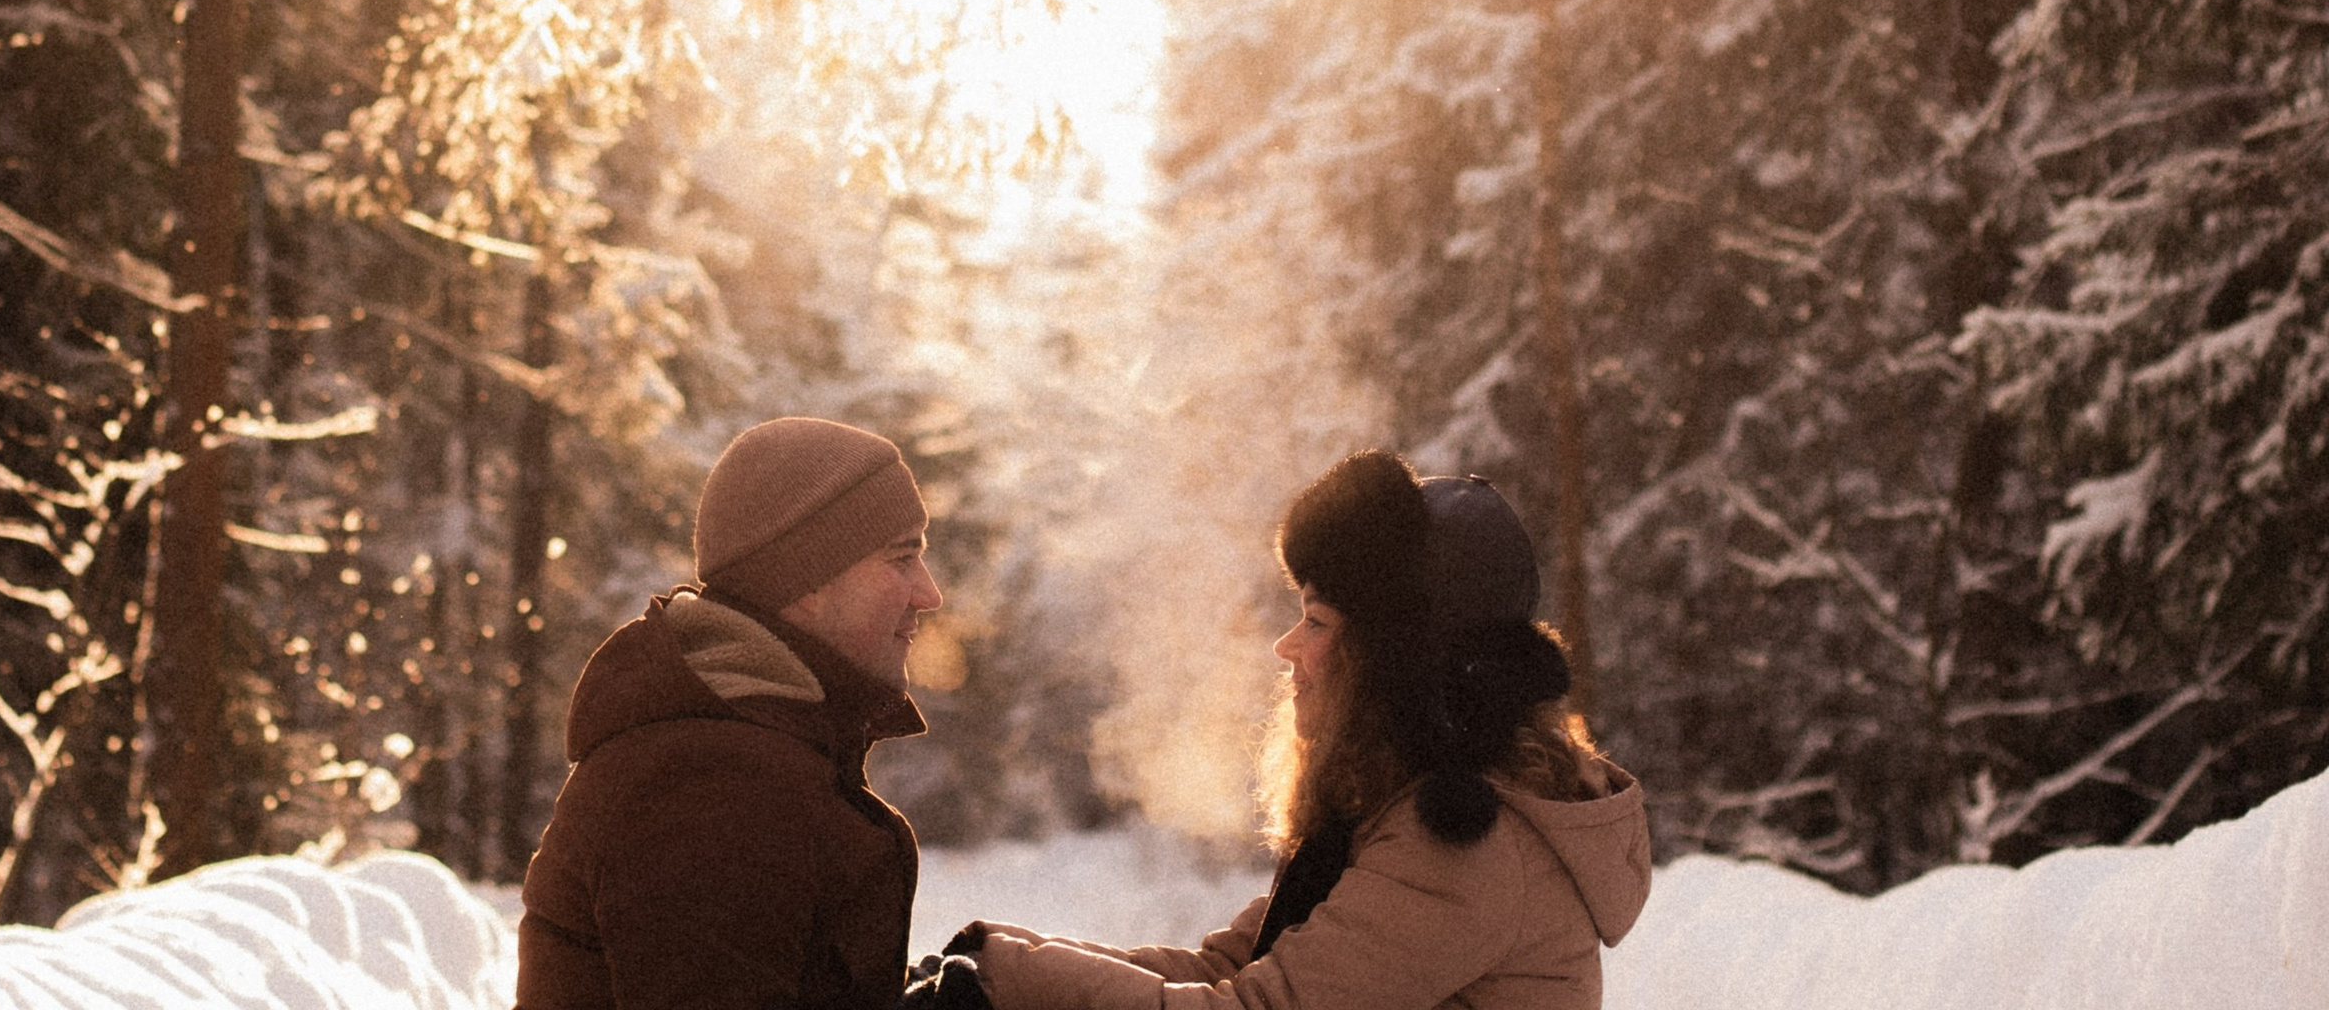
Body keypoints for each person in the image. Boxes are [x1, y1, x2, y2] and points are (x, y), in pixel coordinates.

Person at [941, 452, 1649, 1010]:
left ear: (1389, 659)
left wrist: (1008, 979)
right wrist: (1001, 957)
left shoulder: (1466, 846)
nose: (1288, 647)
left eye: (1316, 622)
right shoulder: (1393, 810)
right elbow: (1228, 967)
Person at [517, 415, 944, 1010]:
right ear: (808, 580)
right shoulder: (714, 783)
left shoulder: (753, 746)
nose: (928, 594)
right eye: (901, 559)